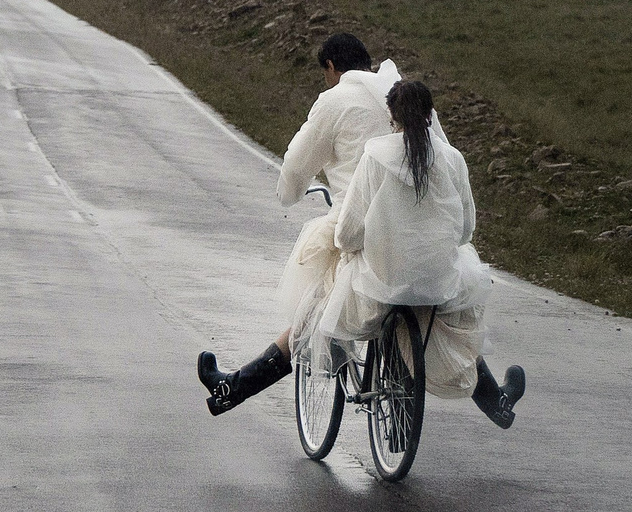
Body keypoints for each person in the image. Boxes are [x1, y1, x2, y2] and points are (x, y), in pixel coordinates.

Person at [200, 72, 525, 429]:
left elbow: (351, 231)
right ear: (431, 116)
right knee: (449, 324)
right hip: (437, 283)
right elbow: (465, 230)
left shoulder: (372, 151)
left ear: (391, 118)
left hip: (380, 284)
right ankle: (497, 402)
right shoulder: (452, 158)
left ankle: (237, 387)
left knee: (316, 310)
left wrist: (354, 246)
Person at [198, 33, 387, 413]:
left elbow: (297, 165)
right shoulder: (399, 94)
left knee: (314, 310)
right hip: (411, 230)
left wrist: (292, 190)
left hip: (360, 230)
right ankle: (493, 396)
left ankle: (234, 389)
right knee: (440, 305)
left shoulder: (335, 99)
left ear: (331, 68)